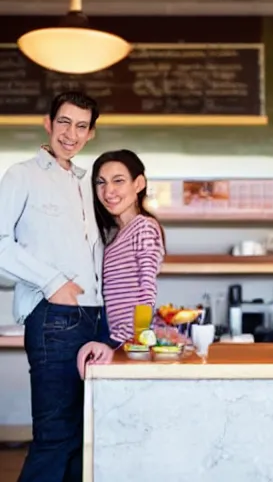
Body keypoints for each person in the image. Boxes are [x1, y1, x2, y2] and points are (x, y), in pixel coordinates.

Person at [0, 91, 114, 482]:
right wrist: (53, 283)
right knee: (55, 437)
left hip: (95, 322)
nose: (71, 133)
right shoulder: (22, 175)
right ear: (48, 124)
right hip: (53, 319)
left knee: (84, 438)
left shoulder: (86, 184)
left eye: (81, 126)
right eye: (64, 122)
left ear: (91, 133)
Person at [76, 149, 165, 371]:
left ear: (138, 184)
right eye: (101, 182)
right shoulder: (114, 234)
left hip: (129, 341)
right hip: (115, 336)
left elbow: (147, 289)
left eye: (119, 181)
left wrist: (132, 339)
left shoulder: (143, 227)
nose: (108, 191)